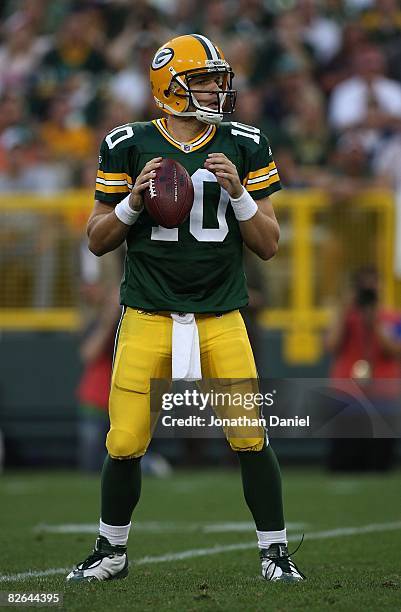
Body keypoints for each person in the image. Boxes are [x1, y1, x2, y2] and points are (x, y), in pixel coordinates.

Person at [66, 34, 304, 584]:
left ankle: (275, 552)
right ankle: (112, 551)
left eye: (219, 80)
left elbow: (268, 243)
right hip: (148, 310)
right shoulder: (128, 144)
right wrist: (131, 202)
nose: (217, 90)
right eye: (203, 80)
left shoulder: (244, 142)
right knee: (124, 441)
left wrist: (239, 193)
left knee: (249, 434)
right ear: (169, 88)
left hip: (221, 313)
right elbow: (98, 239)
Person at [325, 266, 401, 471]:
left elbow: (394, 349)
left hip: (383, 397)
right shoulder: (346, 317)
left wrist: (374, 321)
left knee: (380, 462)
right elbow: (331, 345)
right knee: (344, 460)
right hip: (348, 396)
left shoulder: (392, 317)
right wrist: (344, 310)